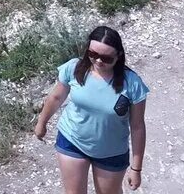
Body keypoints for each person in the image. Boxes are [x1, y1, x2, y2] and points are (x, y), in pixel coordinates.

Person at [33, 25, 148, 193]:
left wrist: (136, 169)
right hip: (72, 141)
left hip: (111, 152)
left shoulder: (132, 84)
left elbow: (138, 126)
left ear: (119, 56)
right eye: (93, 54)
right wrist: (41, 122)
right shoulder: (74, 68)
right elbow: (56, 97)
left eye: (106, 58)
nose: (99, 61)